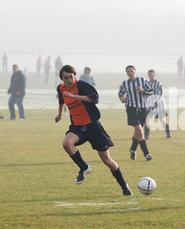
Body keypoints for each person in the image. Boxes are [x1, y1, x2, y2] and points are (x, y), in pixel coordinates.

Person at [55, 65, 132, 195]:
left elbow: (95, 99)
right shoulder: (61, 88)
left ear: (75, 76)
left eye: (71, 77)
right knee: (67, 143)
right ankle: (84, 168)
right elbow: (62, 99)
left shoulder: (81, 86)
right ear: (62, 79)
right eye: (65, 78)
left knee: (107, 160)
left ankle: (124, 186)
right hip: (78, 127)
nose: (68, 80)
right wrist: (60, 113)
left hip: (93, 126)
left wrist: (75, 97)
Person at [118, 65, 153, 161]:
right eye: (128, 71)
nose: (130, 73)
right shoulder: (125, 83)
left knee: (137, 131)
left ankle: (133, 149)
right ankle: (147, 154)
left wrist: (143, 91)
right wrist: (122, 98)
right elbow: (120, 93)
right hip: (131, 108)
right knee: (140, 131)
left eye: (132, 71)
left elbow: (150, 91)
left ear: (135, 71)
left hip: (142, 108)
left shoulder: (142, 80)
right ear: (126, 73)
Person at [144, 69, 171, 139]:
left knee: (162, 119)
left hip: (159, 104)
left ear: (154, 75)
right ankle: (146, 136)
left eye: (152, 74)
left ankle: (168, 134)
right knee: (147, 119)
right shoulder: (147, 84)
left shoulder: (158, 83)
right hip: (150, 103)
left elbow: (160, 94)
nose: (150, 76)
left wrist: (156, 102)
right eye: (149, 74)